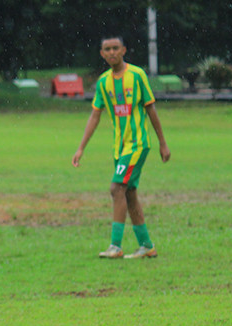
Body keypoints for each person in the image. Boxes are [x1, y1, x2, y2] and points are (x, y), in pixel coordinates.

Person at [72, 35, 170, 260]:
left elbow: (151, 109)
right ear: (102, 54)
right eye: (107, 49)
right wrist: (81, 148)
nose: (112, 52)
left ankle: (115, 246)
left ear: (124, 50)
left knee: (116, 188)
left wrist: (163, 143)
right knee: (129, 193)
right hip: (120, 147)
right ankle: (147, 246)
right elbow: (95, 116)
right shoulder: (103, 82)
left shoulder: (137, 75)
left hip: (137, 144)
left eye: (116, 48)